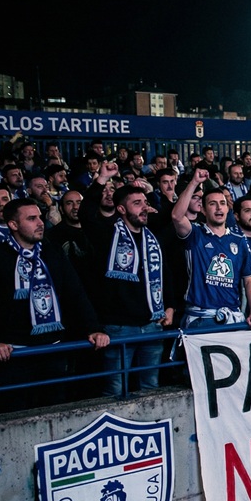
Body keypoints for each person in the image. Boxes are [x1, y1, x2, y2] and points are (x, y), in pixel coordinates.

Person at [0, 199, 109, 409]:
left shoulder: (53, 253)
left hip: (53, 350)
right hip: (14, 354)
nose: (40, 223)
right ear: (13, 225)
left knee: (55, 407)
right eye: (31, 218)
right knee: (17, 412)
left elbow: (76, 294)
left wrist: (94, 328)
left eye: (39, 217)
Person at [83, 170, 176, 398]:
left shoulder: (151, 236)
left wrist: (170, 305)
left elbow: (165, 272)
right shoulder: (106, 233)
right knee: (115, 390)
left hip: (153, 323)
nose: (144, 207)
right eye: (137, 203)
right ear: (121, 209)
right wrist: (102, 180)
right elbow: (86, 214)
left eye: (145, 203)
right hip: (119, 327)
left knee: (151, 388)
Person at [172, 169, 251, 330]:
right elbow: (177, 217)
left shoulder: (239, 240)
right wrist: (194, 182)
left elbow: (249, 279)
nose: (219, 208)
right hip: (200, 319)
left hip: (232, 317)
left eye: (222, 204)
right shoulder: (196, 234)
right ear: (203, 210)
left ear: (228, 209)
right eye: (212, 204)